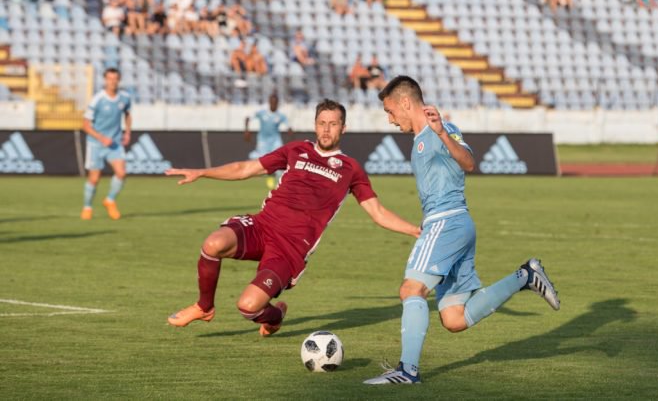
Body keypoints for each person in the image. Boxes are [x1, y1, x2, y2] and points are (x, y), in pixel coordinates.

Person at [363, 76, 559, 384]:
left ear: (404, 102)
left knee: (410, 289)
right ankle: (525, 276)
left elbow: (469, 162)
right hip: (455, 226)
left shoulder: (439, 127)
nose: (389, 120)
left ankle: (407, 371)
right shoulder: (418, 139)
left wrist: (441, 131)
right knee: (454, 318)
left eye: (390, 111)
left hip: (446, 221)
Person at [165, 99, 420, 335]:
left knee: (248, 307)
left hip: (289, 249)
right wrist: (201, 172)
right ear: (314, 125)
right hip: (262, 226)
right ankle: (204, 307)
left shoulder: (350, 169)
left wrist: (415, 231)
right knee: (212, 244)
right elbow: (245, 169)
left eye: (333, 124)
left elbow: (377, 212)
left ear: (344, 128)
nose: (326, 130)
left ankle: (274, 317)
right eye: (322, 123)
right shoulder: (296, 149)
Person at [81, 68, 132, 221]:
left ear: (119, 80)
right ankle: (87, 207)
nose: (112, 81)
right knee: (94, 179)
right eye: (109, 78)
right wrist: (101, 138)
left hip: (114, 143)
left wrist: (128, 132)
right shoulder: (98, 99)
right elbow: (85, 125)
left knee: (121, 173)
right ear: (105, 80)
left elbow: (128, 114)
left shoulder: (125, 97)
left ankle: (109, 200)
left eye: (115, 78)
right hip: (96, 144)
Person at [244, 93, 290, 189]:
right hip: (263, 140)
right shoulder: (262, 113)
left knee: (280, 159)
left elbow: (288, 127)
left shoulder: (280, 115)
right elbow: (248, 118)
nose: (274, 104)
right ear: (269, 102)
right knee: (262, 161)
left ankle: (280, 183)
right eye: (272, 102)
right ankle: (256, 173)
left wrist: (291, 133)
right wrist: (247, 131)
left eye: (275, 102)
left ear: (277, 103)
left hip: (275, 140)